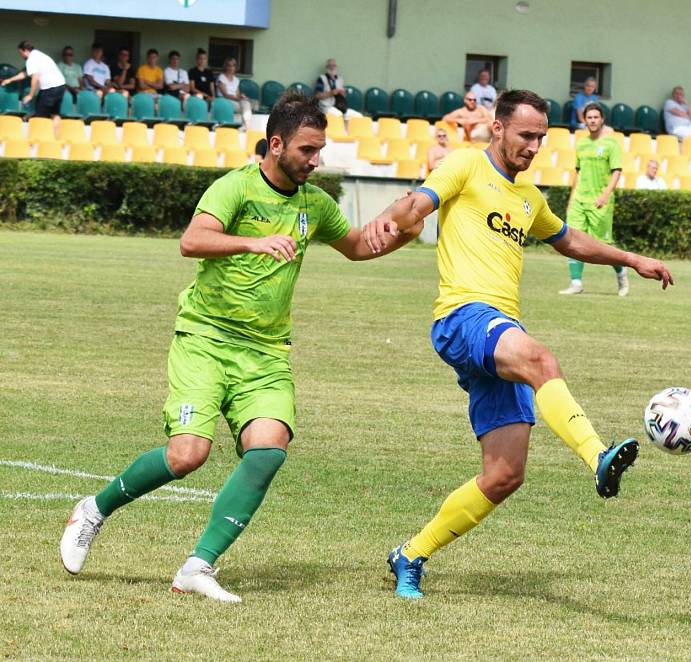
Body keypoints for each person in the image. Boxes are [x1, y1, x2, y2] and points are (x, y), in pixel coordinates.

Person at [59, 90, 423, 604]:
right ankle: (93, 510)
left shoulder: (313, 204)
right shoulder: (235, 188)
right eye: (307, 150)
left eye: (320, 150)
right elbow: (192, 240)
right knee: (188, 456)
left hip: (267, 353)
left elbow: (360, 246)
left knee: (269, 450)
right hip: (206, 339)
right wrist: (252, 241)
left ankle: (197, 566)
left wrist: (404, 231)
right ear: (276, 144)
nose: (316, 161)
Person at [361, 89, 673, 600]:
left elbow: (569, 239)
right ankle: (598, 457)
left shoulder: (529, 198)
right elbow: (421, 199)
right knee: (540, 358)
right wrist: (395, 214)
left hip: (498, 328)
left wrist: (631, 259)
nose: (533, 146)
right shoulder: (465, 165)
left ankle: (410, 556)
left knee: (504, 475)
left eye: (541, 138)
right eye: (526, 135)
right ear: (499, 128)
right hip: (462, 317)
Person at [561, 103, 627, 296]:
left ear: (602, 119)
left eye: (596, 117)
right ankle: (576, 283)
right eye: (589, 117)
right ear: (585, 120)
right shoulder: (581, 143)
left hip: (600, 202)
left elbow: (617, 172)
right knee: (572, 241)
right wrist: (572, 199)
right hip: (579, 200)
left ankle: (621, 271)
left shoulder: (611, 144)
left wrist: (605, 195)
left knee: (602, 246)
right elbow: (578, 173)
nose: (592, 120)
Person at [0, 41, 65, 131]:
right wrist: (9, 80)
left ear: (25, 50)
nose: (21, 55)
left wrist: (30, 95)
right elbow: (25, 73)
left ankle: (40, 138)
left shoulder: (31, 59)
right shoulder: (38, 55)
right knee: (55, 114)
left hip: (50, 88)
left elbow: (35, 78)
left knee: (40, 116)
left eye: (21, 53)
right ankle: (56, 138)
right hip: (60, 86)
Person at [217, 57, 253, 128]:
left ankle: (247, 126)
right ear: (225, 66)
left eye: (233, 65)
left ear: (235, 67)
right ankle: (247, 127)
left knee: (246, 103)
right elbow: (225, 95)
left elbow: (237, 94)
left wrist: (242, 96)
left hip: (235, 100)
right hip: (224, 100)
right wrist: (238, 98)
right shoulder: (221, 77)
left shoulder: (236, 80)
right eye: (229, 65)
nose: (231, 67)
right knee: (245, 107)